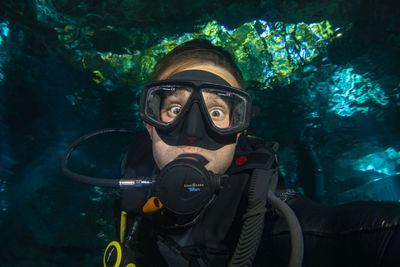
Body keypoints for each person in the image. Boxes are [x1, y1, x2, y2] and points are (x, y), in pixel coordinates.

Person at [62, 39, 400, 267]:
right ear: (149, 124)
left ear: (239, 132)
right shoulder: (131, 170)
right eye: (174, 107)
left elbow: (340, 231)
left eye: (219, 113)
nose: (193, 130)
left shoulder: (263, 214)